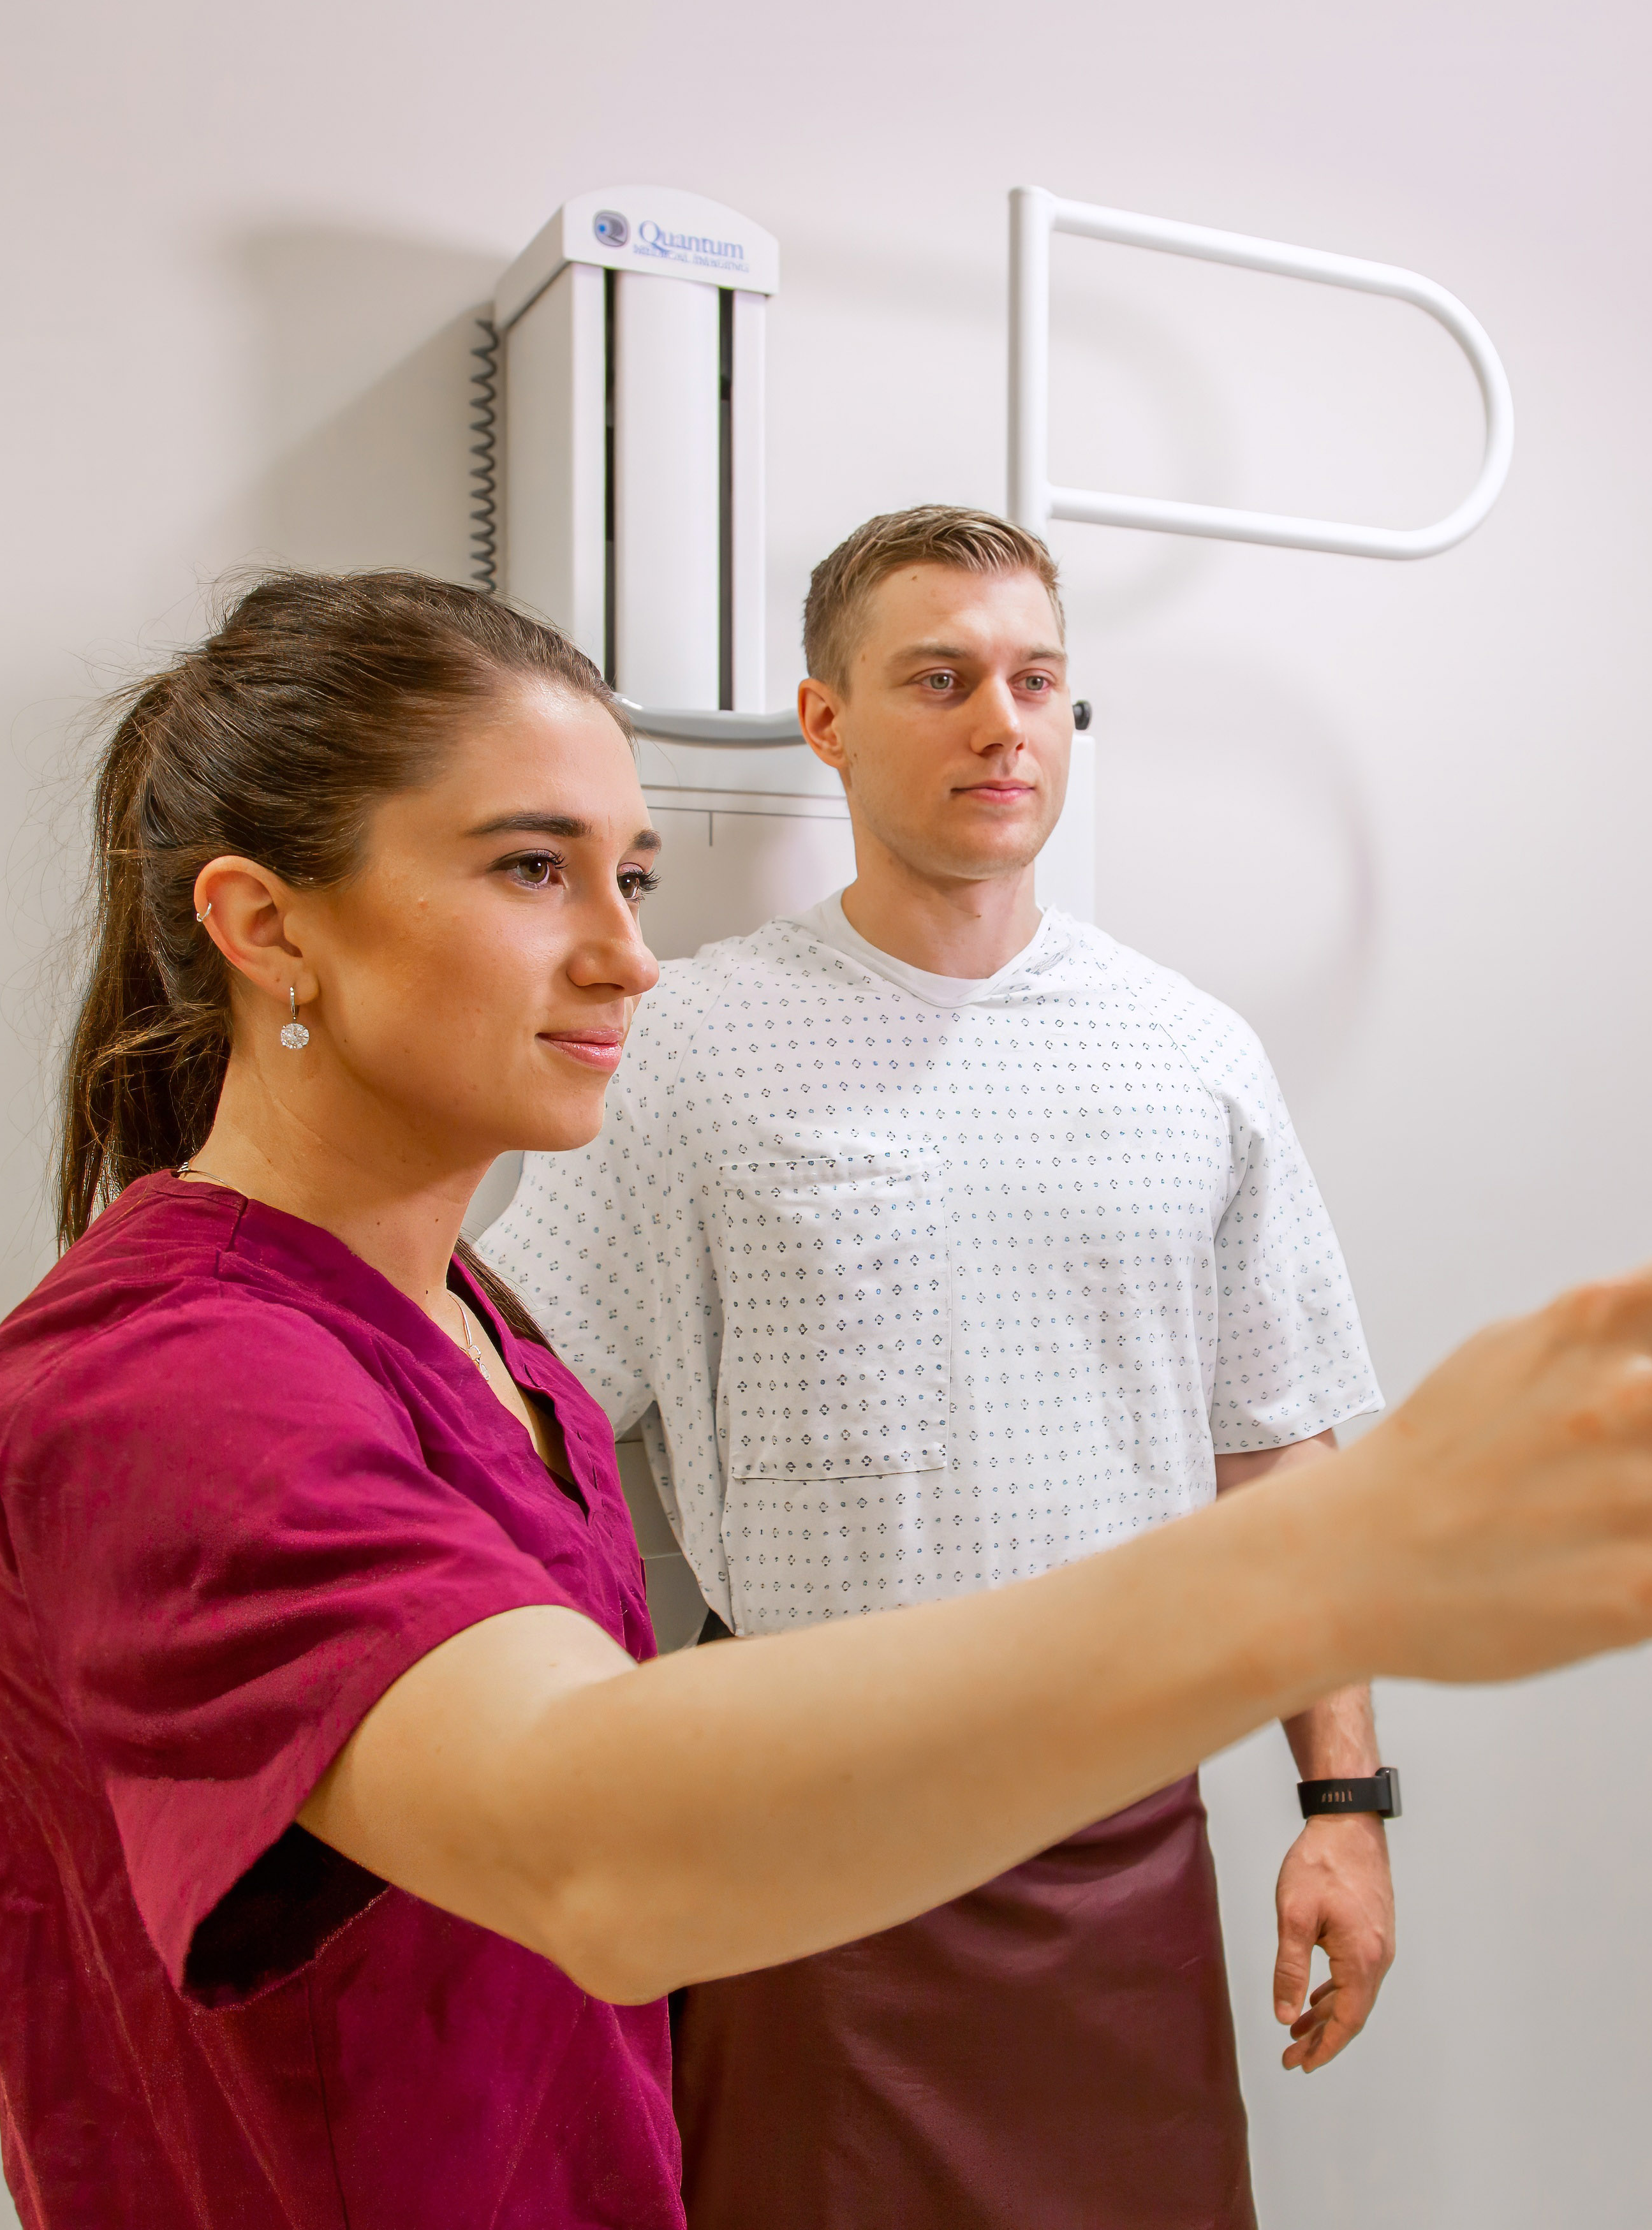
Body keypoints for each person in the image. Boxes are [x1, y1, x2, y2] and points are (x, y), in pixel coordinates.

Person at [0, 566, 1652, 2230]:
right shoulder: (170, 1377)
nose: (627, 957)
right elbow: (592, 1841)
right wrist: (1347, 1564)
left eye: (630, 874)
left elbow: (1266, 1410)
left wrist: (1339, 1770)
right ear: (266, 921)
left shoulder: (485, 1333)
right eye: (535, 871)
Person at [475, 506, 1379, 2230]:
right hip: (807, 1840)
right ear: (826, 721)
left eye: (1037, 682)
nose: (1001, 725)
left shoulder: (1189, 1055)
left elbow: (1282, 1460)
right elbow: (512, 1418)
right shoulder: (689, 1045)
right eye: (942, 680)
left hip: (1119, 1834)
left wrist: (1342, 1802)